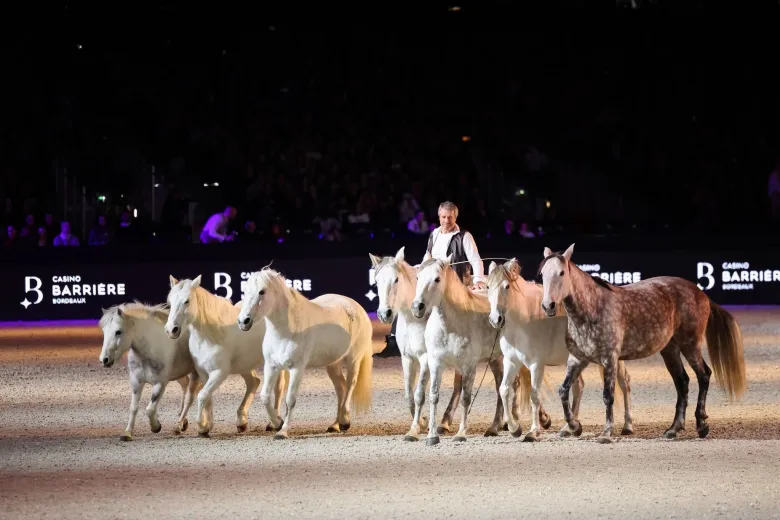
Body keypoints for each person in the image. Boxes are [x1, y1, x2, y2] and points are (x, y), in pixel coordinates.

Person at [382, 201, 486, 357]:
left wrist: (478, 279)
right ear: (439, 217)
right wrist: (420, 268)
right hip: (433, 279)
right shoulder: (434, 233)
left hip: (453, 283)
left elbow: (476, 260)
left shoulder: (464, 236)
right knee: (409, 294)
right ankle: (395, 339)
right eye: (443, 217)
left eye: (449, 217)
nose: (446, 221)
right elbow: (427, 256)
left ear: (455, 217)